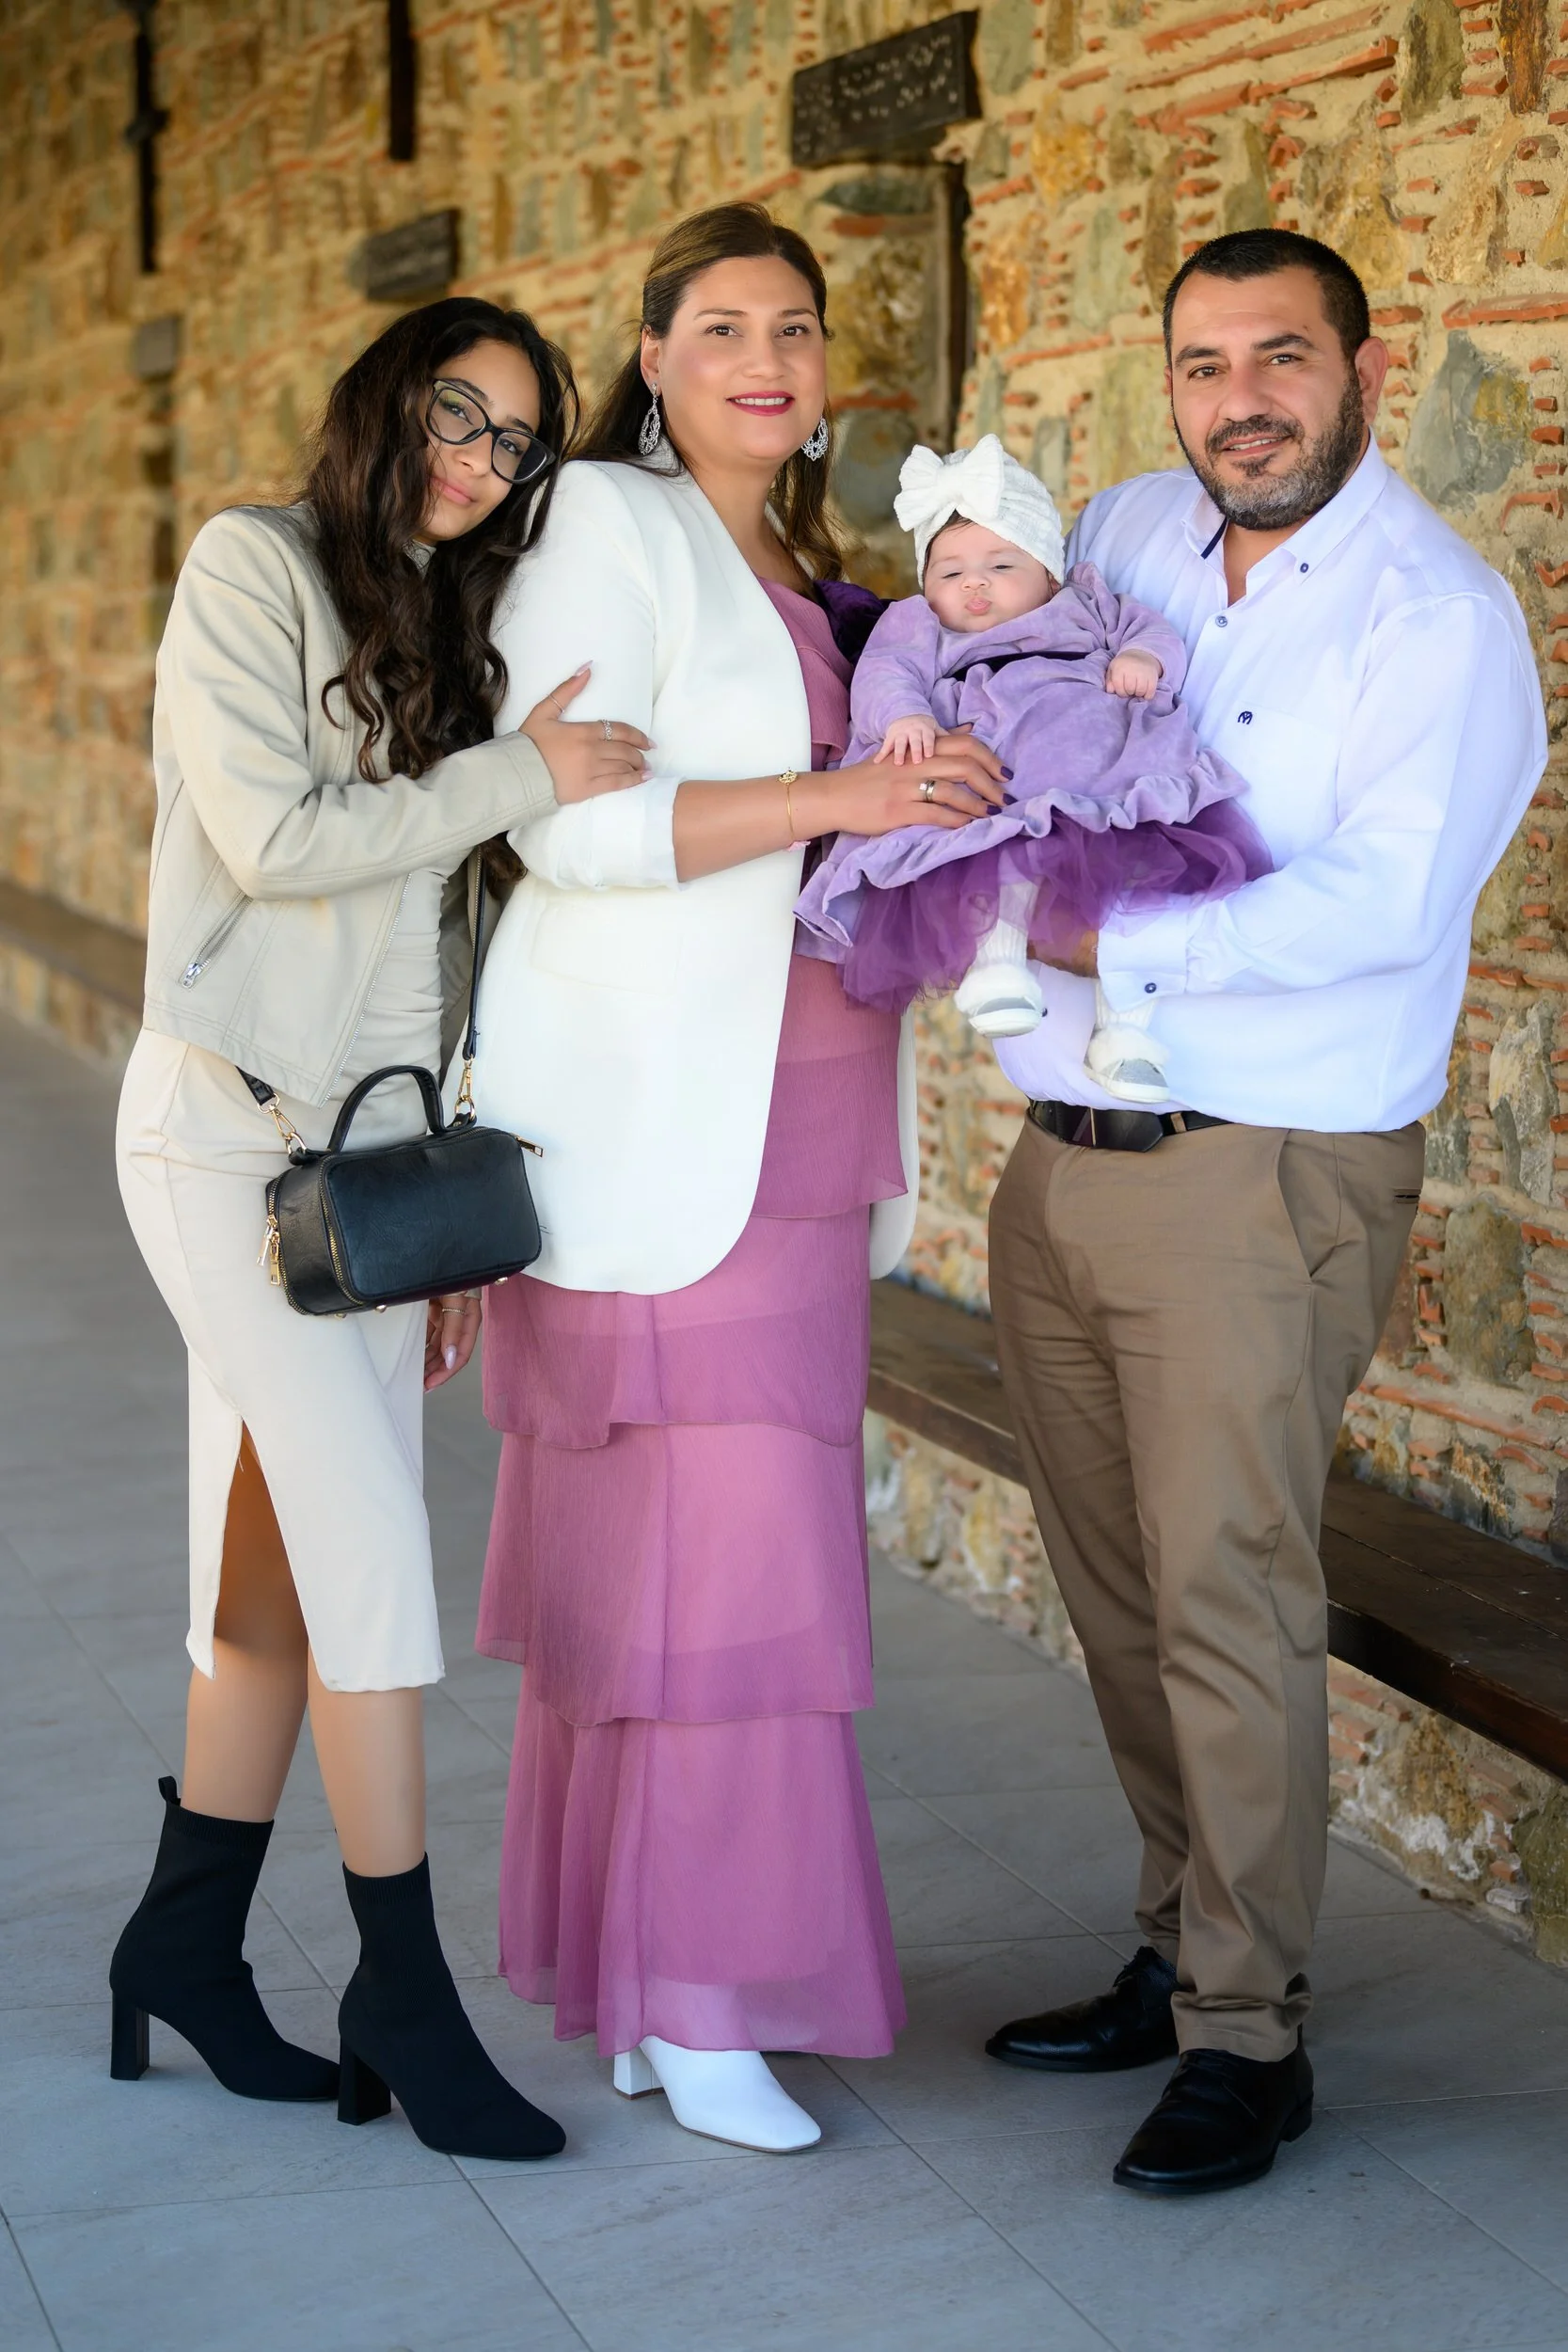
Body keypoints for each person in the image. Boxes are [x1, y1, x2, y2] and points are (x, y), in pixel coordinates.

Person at [982, 228, 1547, 2195]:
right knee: (1120, 1589)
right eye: (1206, 360)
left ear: (1361, 368)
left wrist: (1106, 931)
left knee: (1224, 1593)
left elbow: (1382, 905)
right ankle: (1171, 1943)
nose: (1240, 396)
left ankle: (1245, 2030)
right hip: (1056, 1163)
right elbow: (1017, 701)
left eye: (1278, 357)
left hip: (1255, 1173)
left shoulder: (1430, 618)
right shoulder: (1127, 530)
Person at [467, 202, 1003, 2154]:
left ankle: (637, 1971)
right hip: (671, 1136)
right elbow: (571, 825)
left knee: (701, 1580)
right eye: (720, 326)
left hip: (795, 1128)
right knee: (721, 1586)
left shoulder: (792, 553)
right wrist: (847, 794)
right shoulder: (603, 523)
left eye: (794, 324)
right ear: (652, 349)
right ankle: (696, 2000)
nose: (765, 357)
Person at [111, 297, 649, 2163]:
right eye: (457, 411)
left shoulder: (447, 625)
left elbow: (430, 946)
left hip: (349, 1175)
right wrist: (520, 776)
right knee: (370, 1582)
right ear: (387, 393)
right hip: (215, 1139)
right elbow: (275, 837)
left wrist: (427, 1217)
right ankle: (398, 1997)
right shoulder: (249, 566)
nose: (476, 459)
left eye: (513, 442)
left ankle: (180, 1944)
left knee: (264, 1582)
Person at [794, 433, 1269, 1099]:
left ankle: (1127, 1033)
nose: (974, 586)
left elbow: (1151, 631)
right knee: (1004, 862)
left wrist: (1145, 661)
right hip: (1008, 781)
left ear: (1048, 570)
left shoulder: (1087, 603)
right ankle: (997, 964)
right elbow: (885, 671)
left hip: (1108, 779)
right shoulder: (919, 624)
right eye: (950, 572)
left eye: (1000, 565)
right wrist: (905, 715)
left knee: (1133, 901)